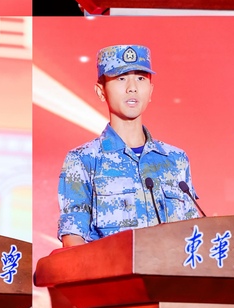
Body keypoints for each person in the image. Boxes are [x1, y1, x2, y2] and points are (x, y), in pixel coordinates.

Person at [58, 44, 199, 246]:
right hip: (111, 266)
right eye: (121, 78)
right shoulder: (83, 160)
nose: (132, 87)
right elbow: (73, 238)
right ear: (101, 91)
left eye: (141, 78)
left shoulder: (176, 160)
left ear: (150, 91)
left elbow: (194, 231)